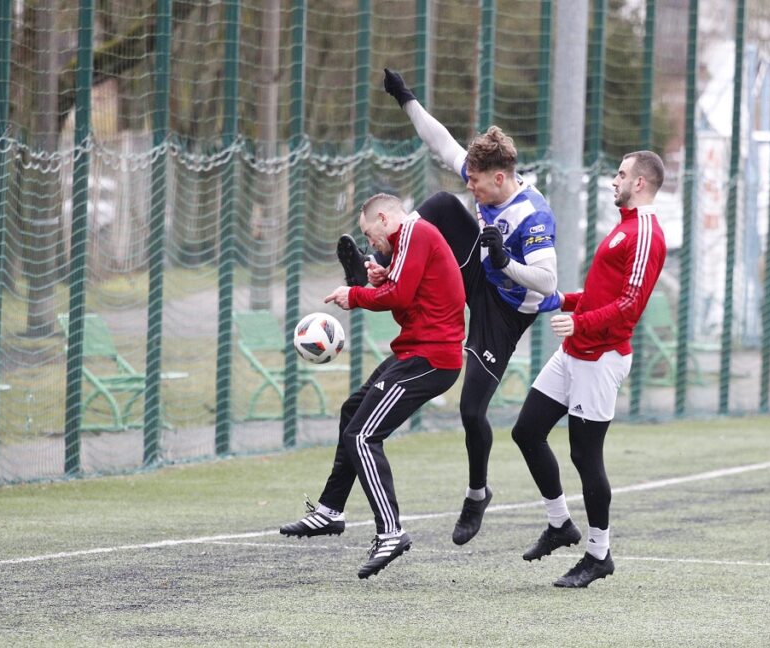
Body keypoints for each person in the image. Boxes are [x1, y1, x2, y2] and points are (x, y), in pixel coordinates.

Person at [336, 68, 561, 546]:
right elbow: (440, 143)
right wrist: (406, 99)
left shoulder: (533, 214)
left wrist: (505, 260)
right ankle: (381, 264)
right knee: (439, 203)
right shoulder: (482, 180)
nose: (472, 188)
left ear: (500, 178)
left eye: (478, 184)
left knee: (471, 409)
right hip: (480, 272)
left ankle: (477, 494)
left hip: (506, 308)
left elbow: (546, 280)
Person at [280, 193, 466, 579]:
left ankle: (391, 532)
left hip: (430, 359)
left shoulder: (415, 232)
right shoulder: (403, 244)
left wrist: (356, 293)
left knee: (363, 436)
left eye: (370, 234)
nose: (370, 244)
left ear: (384, 218)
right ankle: (330, 511)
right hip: (414, 352)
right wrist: (379, 280)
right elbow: (404, 302)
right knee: (353, 411)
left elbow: (397, 297)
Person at [510, 151, 667, 588]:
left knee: (584, 455)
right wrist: (564, 300)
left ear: (640, 182)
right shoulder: (623, 229)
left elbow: (629, 308)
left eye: (620, 174)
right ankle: (561, 524)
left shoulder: (647, 234)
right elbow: (604, 294)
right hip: (576, 350)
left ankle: (599, 554)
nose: (613, 180)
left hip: (602, 359)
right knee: (526, 431)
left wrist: (579, 321)